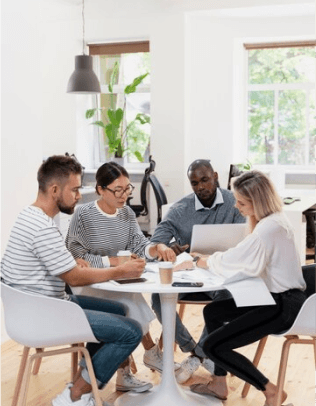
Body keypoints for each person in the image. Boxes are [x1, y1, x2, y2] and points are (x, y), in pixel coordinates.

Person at [0, 155, 149, 406]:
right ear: (55, 189)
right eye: (76, 189)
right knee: (130, 331)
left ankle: (87, 375)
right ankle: (76, 393)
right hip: (45, 314)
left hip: (37, 307)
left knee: (122, 309)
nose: (79, 195)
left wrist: (71, 260)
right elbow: (74, 277)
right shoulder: (43, 227)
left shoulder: (29, 216)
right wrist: (120, 271)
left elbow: (61, 265)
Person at [189, 170, 306, 406]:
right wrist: (214, 259)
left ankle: (271, 390)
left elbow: (238, 260)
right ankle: (220, 383)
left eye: (242, 202)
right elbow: (243, 256)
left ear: (258, 201)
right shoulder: (273, 221)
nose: (237, 206)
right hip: (278, 298)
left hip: (282, 306)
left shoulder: (268, 229)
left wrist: (202, 261)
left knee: (214, 346)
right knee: (213, 312)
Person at [66, 162, 178, 386]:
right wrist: (114, 262)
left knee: (126, 296)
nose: (124, 195)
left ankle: (126, 371)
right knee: (125, 299)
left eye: (127, 189)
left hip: (115, 280)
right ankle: (149, 354)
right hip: (89, 283)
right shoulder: (84, 215)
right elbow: (75, 257)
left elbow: (138, 244)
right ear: (100, 189)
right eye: (118, 190)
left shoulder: (126, 213)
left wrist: (156, 248)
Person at [150, 159, 245, 383]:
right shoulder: (181, 209)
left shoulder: (235, 203)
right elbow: (156, 243)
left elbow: (244, 242)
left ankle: (198, 355)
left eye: (205, 180)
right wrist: (164, 247)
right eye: (194, 183)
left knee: (226, 299)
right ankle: (193, 349)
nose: (201, 187)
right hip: (190, 276)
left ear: (215, 176)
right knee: (157, 298)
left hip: (222, 275)